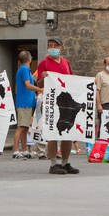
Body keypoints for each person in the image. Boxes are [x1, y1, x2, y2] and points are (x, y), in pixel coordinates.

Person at [36, 36, 79, 175]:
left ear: (61, 48)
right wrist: (44, 77)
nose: (52, 48)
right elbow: (39, 84)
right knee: (53, 133)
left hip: (65, 103)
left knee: (67, 132)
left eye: (55, 45)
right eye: (50, 45)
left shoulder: (66, 62)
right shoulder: (44, 63)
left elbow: (71, 80)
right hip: (50, 102)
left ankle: (65, 163)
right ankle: (54, 163)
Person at [13, 50, 42, 159]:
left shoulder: (25, 69)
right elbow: (27, 85)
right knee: (21, 127)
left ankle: (24, 150)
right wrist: (39, 89)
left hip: (27, 101)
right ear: (29, 59)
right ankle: (16, 151)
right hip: (24, 102)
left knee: (25, 127)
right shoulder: (24, 70)